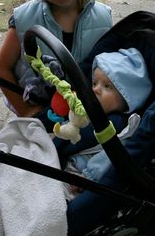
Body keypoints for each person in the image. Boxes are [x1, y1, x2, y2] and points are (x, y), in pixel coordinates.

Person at [62, 48, 150, 194]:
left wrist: (89, 176)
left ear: (126, 97)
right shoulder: (89, 109)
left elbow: (109, 158)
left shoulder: (124, 130)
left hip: (79, 174)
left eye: (107, 86)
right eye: (95, 82)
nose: (96, 89)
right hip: (64, 158)